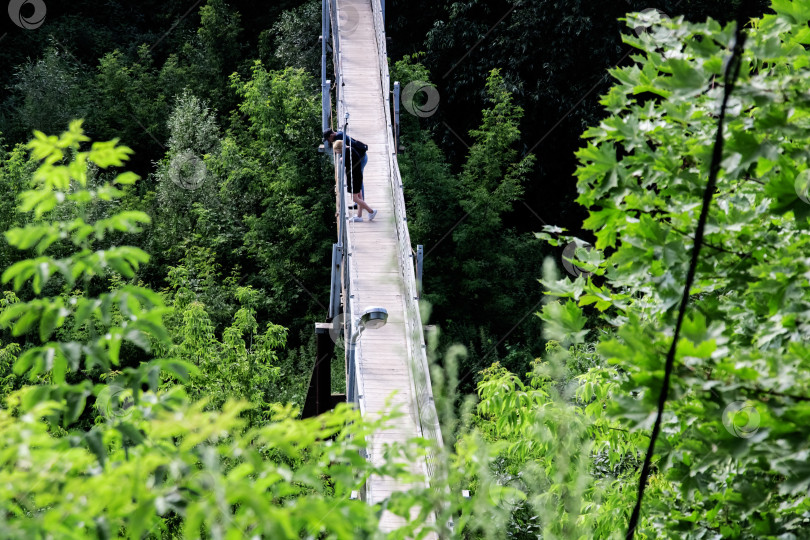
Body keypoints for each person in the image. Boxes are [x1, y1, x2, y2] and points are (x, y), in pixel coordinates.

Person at [327, 131, 377, 223]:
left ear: (340, 149)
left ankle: (371, 211)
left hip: (354, 178)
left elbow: (346, 164)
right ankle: (359, 216)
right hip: (357, 176)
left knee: (355, 198)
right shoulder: (351, 150)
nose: (338, 154)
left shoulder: (348, 154)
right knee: (359, 196)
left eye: (338, 152)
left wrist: (342, 160)